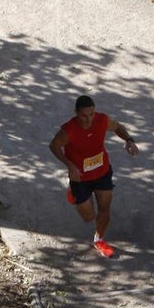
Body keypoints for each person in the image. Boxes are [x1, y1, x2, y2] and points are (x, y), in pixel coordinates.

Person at [49, 94, 139, 258]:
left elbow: (118, 127)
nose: (88, 119)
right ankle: (72, 191)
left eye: (91, 114)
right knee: (88, 217)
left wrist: (129, 140)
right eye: (84, 115)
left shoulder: (102, 120)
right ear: (76, 113)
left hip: (102, 172)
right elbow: (54, 146)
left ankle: (99, 240)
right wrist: (69, 165)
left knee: (104, 209)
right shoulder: (69, 130)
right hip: (80, 178)